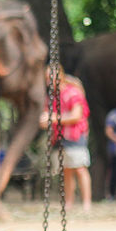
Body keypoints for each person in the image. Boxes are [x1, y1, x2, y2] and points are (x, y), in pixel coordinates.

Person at [41, 73, 93, 212]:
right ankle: (68, 203)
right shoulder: (51, 97)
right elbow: (46, 117)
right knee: (66, 170)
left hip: (75, 135)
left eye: (49, 77)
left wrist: (53, 118)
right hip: (59, 137)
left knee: (80, 168)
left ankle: (86, 203)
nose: (48, 81)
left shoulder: (73, 93)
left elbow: (76, 116)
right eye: (46, 78)